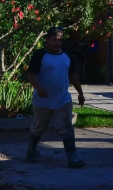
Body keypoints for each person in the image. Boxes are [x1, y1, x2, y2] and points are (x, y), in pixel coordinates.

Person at [26, 27, 86, 168]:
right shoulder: (40, 55)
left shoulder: (67, 56)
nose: (57, 43)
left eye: (60, 40)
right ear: (47, 40)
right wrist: (39, 89)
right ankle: (31, 150)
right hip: (42, 100)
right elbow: (31, 75)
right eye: (54, 40)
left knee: (66, 127)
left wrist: (80, 93)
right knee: (39, 127)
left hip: (62, 99)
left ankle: (72, 158)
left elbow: (73, 76)